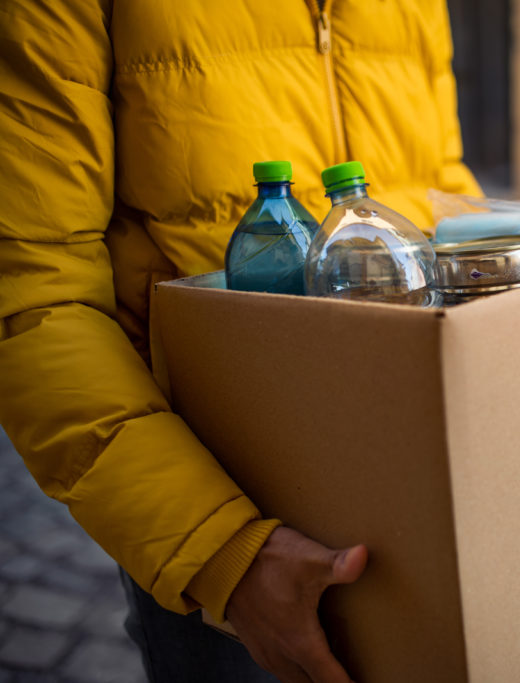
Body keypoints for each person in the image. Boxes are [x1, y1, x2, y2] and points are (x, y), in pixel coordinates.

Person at [0, 1, 481, 681]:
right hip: (228, 494)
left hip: (411, 451)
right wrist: (222, 551)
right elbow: (34, 288)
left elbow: (442, 189)